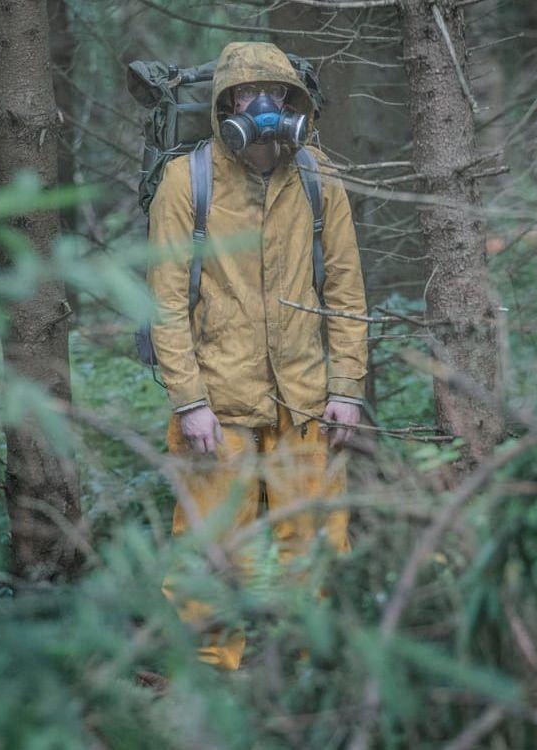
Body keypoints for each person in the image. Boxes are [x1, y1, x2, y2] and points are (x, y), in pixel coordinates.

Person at [146, 41, 369, 671]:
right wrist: (189, 402)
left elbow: (347, 289)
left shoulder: (320, 179)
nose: (263, 106)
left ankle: (315, 674)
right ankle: (208, 679)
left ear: (296, 102)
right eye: (246, 96)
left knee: (319, 544)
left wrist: (346, 389)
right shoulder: (185, 181)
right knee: (211, 548)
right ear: (225, 106)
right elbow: (164, 303)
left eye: (275, 94)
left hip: (306, 400)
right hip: (218, 403)